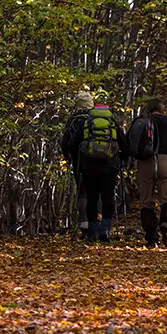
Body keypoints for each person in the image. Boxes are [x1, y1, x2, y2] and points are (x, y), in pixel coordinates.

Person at [63, 94, 126, 243]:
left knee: (88, 195)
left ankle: (89, 229)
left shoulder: (75, 120)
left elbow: (68, 143)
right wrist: (122, 159)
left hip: (86, 165)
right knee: (106, 197)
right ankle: (104, 229)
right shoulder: (108, 119)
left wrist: (71, 157)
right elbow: (124, 142)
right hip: (110, 164)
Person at [129, 99, 167, 247]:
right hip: (165, 162)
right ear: (162, 110)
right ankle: (166, 223)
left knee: (146, 201)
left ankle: (151, 237)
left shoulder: (142, 122)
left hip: (145, 163)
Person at [59, 91, 95, 238]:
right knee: (97, 192)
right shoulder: (98, 118)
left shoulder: (74, 119)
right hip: (101, 161)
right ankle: (100, 225)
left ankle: (85, 225)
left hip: (79, 162)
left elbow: (65, 143)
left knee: (83, 192)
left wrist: (68, 157)